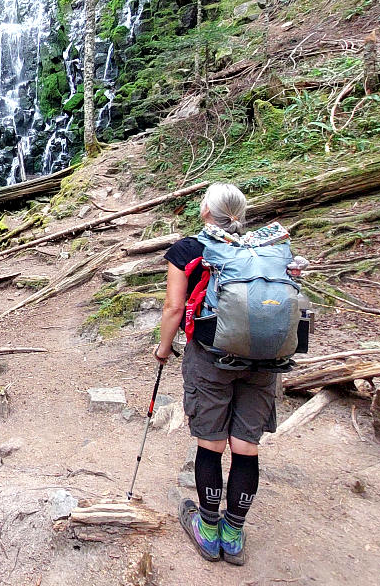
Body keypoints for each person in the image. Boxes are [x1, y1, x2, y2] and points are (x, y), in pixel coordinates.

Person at [154, 183, 275, 566]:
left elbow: (175, 308)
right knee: (245, 446)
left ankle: (208, 531)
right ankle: (234, 533)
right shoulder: (267, 247)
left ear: (206, 210)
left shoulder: (189, 249)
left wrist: (163, 348)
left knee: (211, 443)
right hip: (264, 360)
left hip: (211, 357)